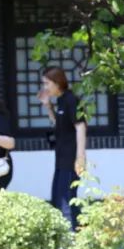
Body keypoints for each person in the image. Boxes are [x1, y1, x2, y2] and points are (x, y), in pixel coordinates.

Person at [39, 67, 87, 228]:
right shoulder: (60, 100)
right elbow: (57, 124)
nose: (45, 87)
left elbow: (80, 126)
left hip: (71, 159)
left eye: (47, 83)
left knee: (67, 199)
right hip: (61, 159)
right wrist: (48, 106)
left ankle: (75, 235)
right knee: (57, 198)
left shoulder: (71, 99)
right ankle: (72, 233)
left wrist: (80, 157)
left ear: (57, 82)